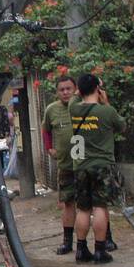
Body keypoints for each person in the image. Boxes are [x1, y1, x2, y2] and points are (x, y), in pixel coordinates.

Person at [68, 74, 124, 264]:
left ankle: (81, 249)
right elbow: (121, 126)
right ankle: (100, 250)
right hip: (101, 165)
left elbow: (75, 96)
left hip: (80, 166)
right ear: (98, 90)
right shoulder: (106, 112)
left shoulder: (73, 108)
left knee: (83, 208)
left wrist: (82, 90)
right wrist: (106, 102)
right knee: (100, 207)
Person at [42, 74, 78, 254]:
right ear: (57, 92)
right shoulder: (51, 110)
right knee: (68, 203)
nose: (65, 92)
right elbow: (46, 130)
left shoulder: (82, 106)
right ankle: (67, 242)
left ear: (75, 89)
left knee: (95, 204)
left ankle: (104, 239)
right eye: (61, 90)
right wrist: (49, 148)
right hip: (65, 165)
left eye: (68, 89)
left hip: (86, 164)